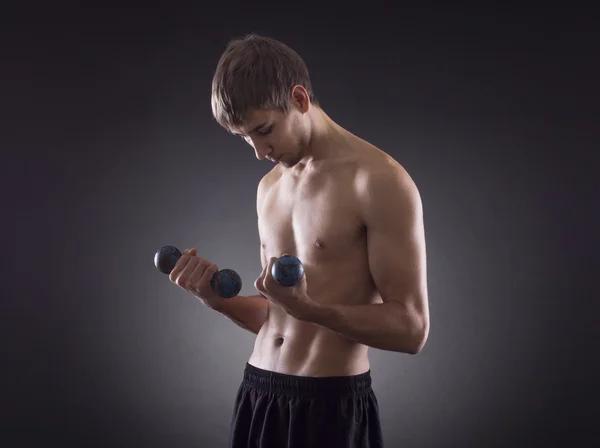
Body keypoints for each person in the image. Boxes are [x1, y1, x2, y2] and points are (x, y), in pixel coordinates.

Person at [168, 33, 430, 448]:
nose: (258, 151)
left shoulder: (378, 180)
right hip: (259, 395)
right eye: (244, 138)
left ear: (300, 98)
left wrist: (311, 309)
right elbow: (279, 319)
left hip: (328, 406)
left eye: (264, 130)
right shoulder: (270, 187)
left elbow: (412, 329)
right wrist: (217, 300)